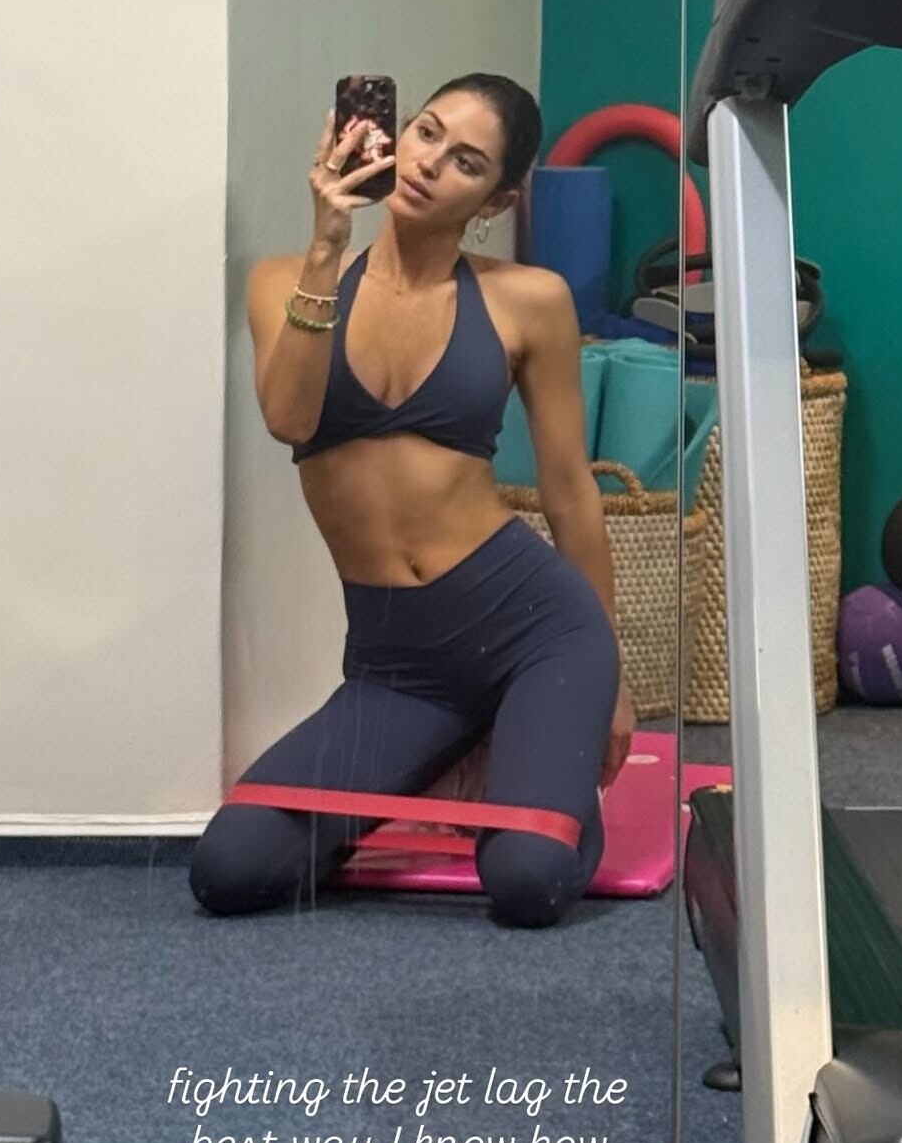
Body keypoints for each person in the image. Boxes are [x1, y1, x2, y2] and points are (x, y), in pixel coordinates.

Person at [189, 74, 634, 928]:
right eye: (427, 133)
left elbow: (570, 491)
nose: (430, 162)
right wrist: (328, 244)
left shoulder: (528, 300)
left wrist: (612, 679)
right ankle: (461, 750)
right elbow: (290, 420)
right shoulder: (284, 280)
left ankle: (539, 751)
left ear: (495, 201)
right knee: (230, 868)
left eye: (466, 162)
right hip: (399, 666)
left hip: (536, 632)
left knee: (527, 880)